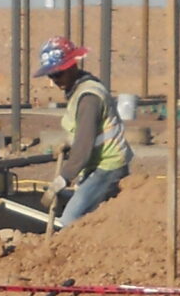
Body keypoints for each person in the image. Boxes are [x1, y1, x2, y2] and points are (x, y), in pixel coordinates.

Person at [37, 37, 130, 227]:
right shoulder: (79, 91)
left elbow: (84, 146)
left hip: (108, 167)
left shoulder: (89, 98)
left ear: (72, 67)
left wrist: (61, 180)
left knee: (71, 220)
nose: (55, 81)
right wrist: (68, 141)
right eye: (52, 76)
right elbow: (84, 133)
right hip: (97, 165)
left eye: (59, 74)